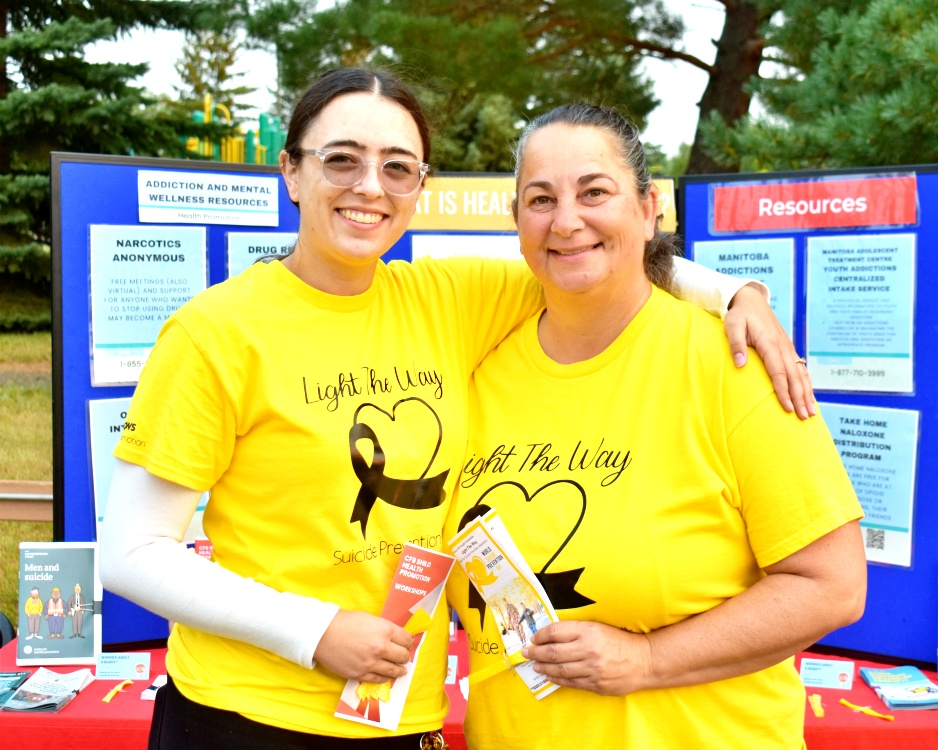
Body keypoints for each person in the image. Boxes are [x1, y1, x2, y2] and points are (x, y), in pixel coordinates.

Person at [99, 68, 812, 748]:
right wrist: (313, 629)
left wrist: (733, 293)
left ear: (420, 187)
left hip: (399, 715)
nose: (369, 187)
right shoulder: (217, 332)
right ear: (291, 171)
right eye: (341, 160)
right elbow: (132, 555)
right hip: (246, 717)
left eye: (397, 167)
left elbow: (589, 252)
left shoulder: (448, 301)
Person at [443, 103, 866, 749]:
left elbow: (832, 588)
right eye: (540, 199)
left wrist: (648, 660)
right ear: (517, 221)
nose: (566, 220)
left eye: (594, 192)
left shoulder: (734, 363)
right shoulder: (478, 370)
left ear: (648, 211)